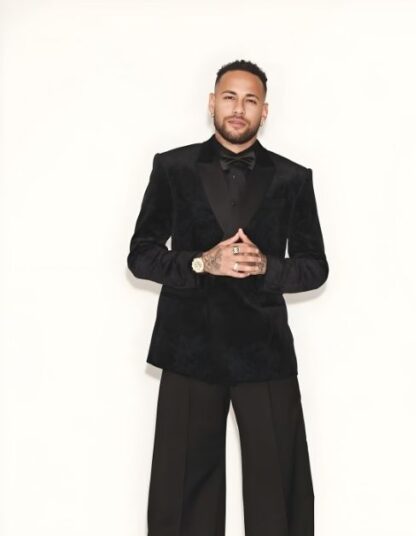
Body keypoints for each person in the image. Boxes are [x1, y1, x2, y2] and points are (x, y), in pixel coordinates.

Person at [128, 59, 327, 535]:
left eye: (251, 99)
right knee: (181, 495)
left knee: (280, 491)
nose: (239, 108)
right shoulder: (171, 167)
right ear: (212, 103)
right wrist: (201, 262)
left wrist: (267, 267)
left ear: (265, 111)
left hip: (266, 354)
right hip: (189, 349)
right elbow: (141, 255)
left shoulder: (293, 178)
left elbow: (315, 266)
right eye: (230, 97)